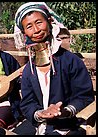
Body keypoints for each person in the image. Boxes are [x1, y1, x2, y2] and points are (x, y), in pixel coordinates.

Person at [12, 2, 95, 135]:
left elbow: (84, 97)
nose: (36, 30)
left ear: (50, 22)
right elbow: (27, 104)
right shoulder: (29, 69)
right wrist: (40, 114)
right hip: (39, 124)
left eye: (39, 22)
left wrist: (65, 111)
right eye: (29, 26)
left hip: (70, 123)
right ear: (24, 33)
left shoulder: (71, 61)